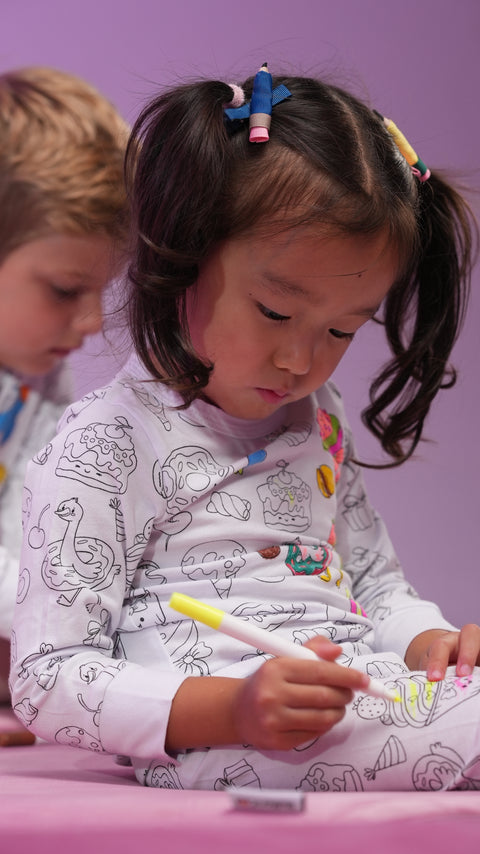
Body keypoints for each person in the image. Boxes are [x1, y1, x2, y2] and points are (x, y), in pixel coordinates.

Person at [10, 68, 480, 792]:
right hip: (231, 738)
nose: (301, 360)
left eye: (340, 330)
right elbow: (47, 678)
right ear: (184, 254)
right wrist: (234, 710)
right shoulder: (106, 441)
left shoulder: (318, 416)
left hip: (356, 695)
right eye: (273, 312)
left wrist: (432, 645)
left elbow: (374, 586)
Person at [0, 66, 129, 697]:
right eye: (65, 290)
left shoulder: (39, 378)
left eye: (100, 289)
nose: (92, 321)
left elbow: (28, 520)